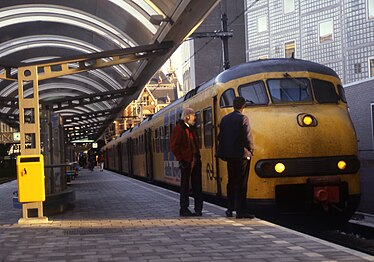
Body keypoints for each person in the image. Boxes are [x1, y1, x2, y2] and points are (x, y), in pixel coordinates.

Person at [216, 96, 255, 219]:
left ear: (234, 106)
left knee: (231, 182)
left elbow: (219, 137)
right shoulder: (243, 118)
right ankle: (241, 211)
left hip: (230, 156)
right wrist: (251, 149)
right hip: (242, 155)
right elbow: (247, 136)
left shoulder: (225, 119)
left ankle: (229, 209)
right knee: (242, 183)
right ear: (243, 106)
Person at [170, 107, 203, 217]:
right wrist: (181, 159)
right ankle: (184, 209)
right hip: (186, 161)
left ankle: (198, 209)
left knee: (197, 186)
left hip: (195, 160)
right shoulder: (179, 129)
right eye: (193, 115)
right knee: (185, 187)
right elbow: (174, 146)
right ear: (187, 116)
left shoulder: (192, 128)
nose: (195, 117)